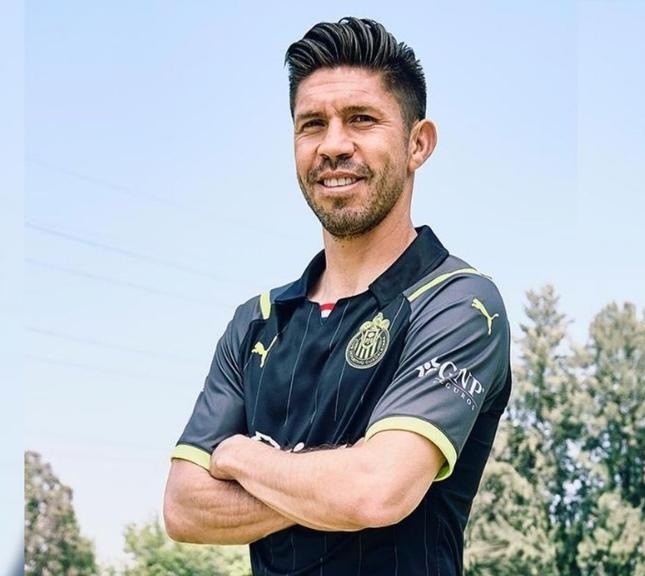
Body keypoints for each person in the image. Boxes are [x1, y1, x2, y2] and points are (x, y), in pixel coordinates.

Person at [163, 17, 511, 575]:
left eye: (361, 119)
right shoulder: (256, 321)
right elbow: (184, 507)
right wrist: (332, 483)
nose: (333, 145)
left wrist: (239, 454)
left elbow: (376, 492)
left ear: (418, 143)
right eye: (312, 125)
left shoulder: (458, 303)